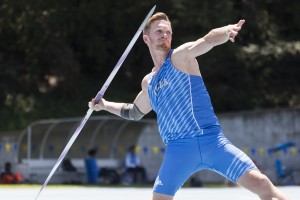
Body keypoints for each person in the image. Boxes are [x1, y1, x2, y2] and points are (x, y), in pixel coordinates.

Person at [89, 12, 291, 200]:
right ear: (146, 38)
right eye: (159, 31)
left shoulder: (180, 57)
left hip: (211, 141)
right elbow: (134, 111)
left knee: (262, 185)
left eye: (168, 32)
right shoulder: (148, 82)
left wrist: (226, 31)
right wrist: (105, 105)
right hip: (178, 150)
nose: (165, 35)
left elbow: (207, 40)